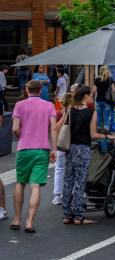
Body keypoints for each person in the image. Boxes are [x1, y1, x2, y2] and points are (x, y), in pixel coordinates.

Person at [57, 85, 115, 225]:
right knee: (80, 182)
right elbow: (93, 134)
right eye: (91, 95)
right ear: (85, 96)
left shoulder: (70, 110)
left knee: (68, 181)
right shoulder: (92, 112)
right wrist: (107, 137)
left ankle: (67, 214)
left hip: (70, 148)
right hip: (83, 148)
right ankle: (78, 216)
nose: (92, 97)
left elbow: (59, 127)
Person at [9, 80, 57, 232]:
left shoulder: (20, 105)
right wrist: (54, 149)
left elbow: (15, 128)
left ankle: (17, 219)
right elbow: (54, 128)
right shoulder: (49, 106)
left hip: (24, 149)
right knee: (35, 185)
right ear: (41, 90)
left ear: (27, 90)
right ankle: (29, 222)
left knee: (20, 182)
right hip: (42, 149)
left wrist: (22, 137)